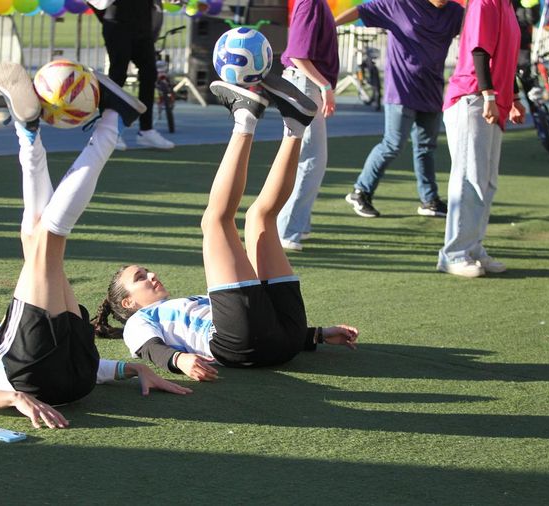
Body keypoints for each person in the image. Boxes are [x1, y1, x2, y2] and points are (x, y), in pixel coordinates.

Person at [0, 63, 190, 429]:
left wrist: (130, 368)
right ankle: (90, 124)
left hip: (75, 374)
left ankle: (37, 129)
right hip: (29, 376)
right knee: (43, 237)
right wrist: (12, 397)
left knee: (37, 235)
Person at [92, 75, 359, 381]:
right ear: (128, 303)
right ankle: (245, 117)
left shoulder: (186, 303)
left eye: (146, 271)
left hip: (285, 335)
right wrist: (178, 360)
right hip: (242, 347)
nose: (152, 275)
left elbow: (256, 317)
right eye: (140, 277)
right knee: (215, 221)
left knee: (261, 217)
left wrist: (317, 335)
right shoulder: (140, 320)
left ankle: (295, 126)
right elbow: (148, 349)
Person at [337, 0, 464, 219]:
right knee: (393, 144)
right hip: (400, 89)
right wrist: (327, 26)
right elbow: (361, 10)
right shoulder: (400, 4)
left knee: (426, 147)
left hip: (432, 89)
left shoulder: (454, 13)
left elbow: (475, 31)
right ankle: (361, 191)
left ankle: (429, 200)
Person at [438, 0, 526, 278]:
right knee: (469, 178)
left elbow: (506, 58)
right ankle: (453, 254)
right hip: (472, 99)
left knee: (486, 181)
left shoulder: (507, 7)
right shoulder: (484, 2)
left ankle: (473, 247)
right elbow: (479, 51)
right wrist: (489, 95)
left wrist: (513, 97)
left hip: (491, 101)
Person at [275, 0, 340, 251]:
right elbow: (298, 55)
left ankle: (296, 224)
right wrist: (325, 86)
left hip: (305, 84)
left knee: (308, 158)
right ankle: (286, 228)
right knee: (309, 159)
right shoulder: (311, 2)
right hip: (305, 84)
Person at [92, 0, 174, 151]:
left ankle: (146, 130)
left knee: (149, 74)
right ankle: (109, 131)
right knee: (118, 76)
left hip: (143, 26)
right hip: (117, 24)